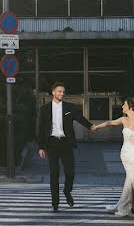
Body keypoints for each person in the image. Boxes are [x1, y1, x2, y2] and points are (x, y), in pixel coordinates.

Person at [36, 82, 95, 212]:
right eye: (59, 91)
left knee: (70, 173)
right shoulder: (44, 109)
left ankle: (67, 191)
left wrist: (90, 126)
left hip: (66, 143)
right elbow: (40, 129)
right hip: (51, 144)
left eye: (63, 92)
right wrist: (41, 147)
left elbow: (80, 118)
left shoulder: (69, 107)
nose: (62, 94)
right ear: (53, 92)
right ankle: (55, 203)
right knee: (54, 174)